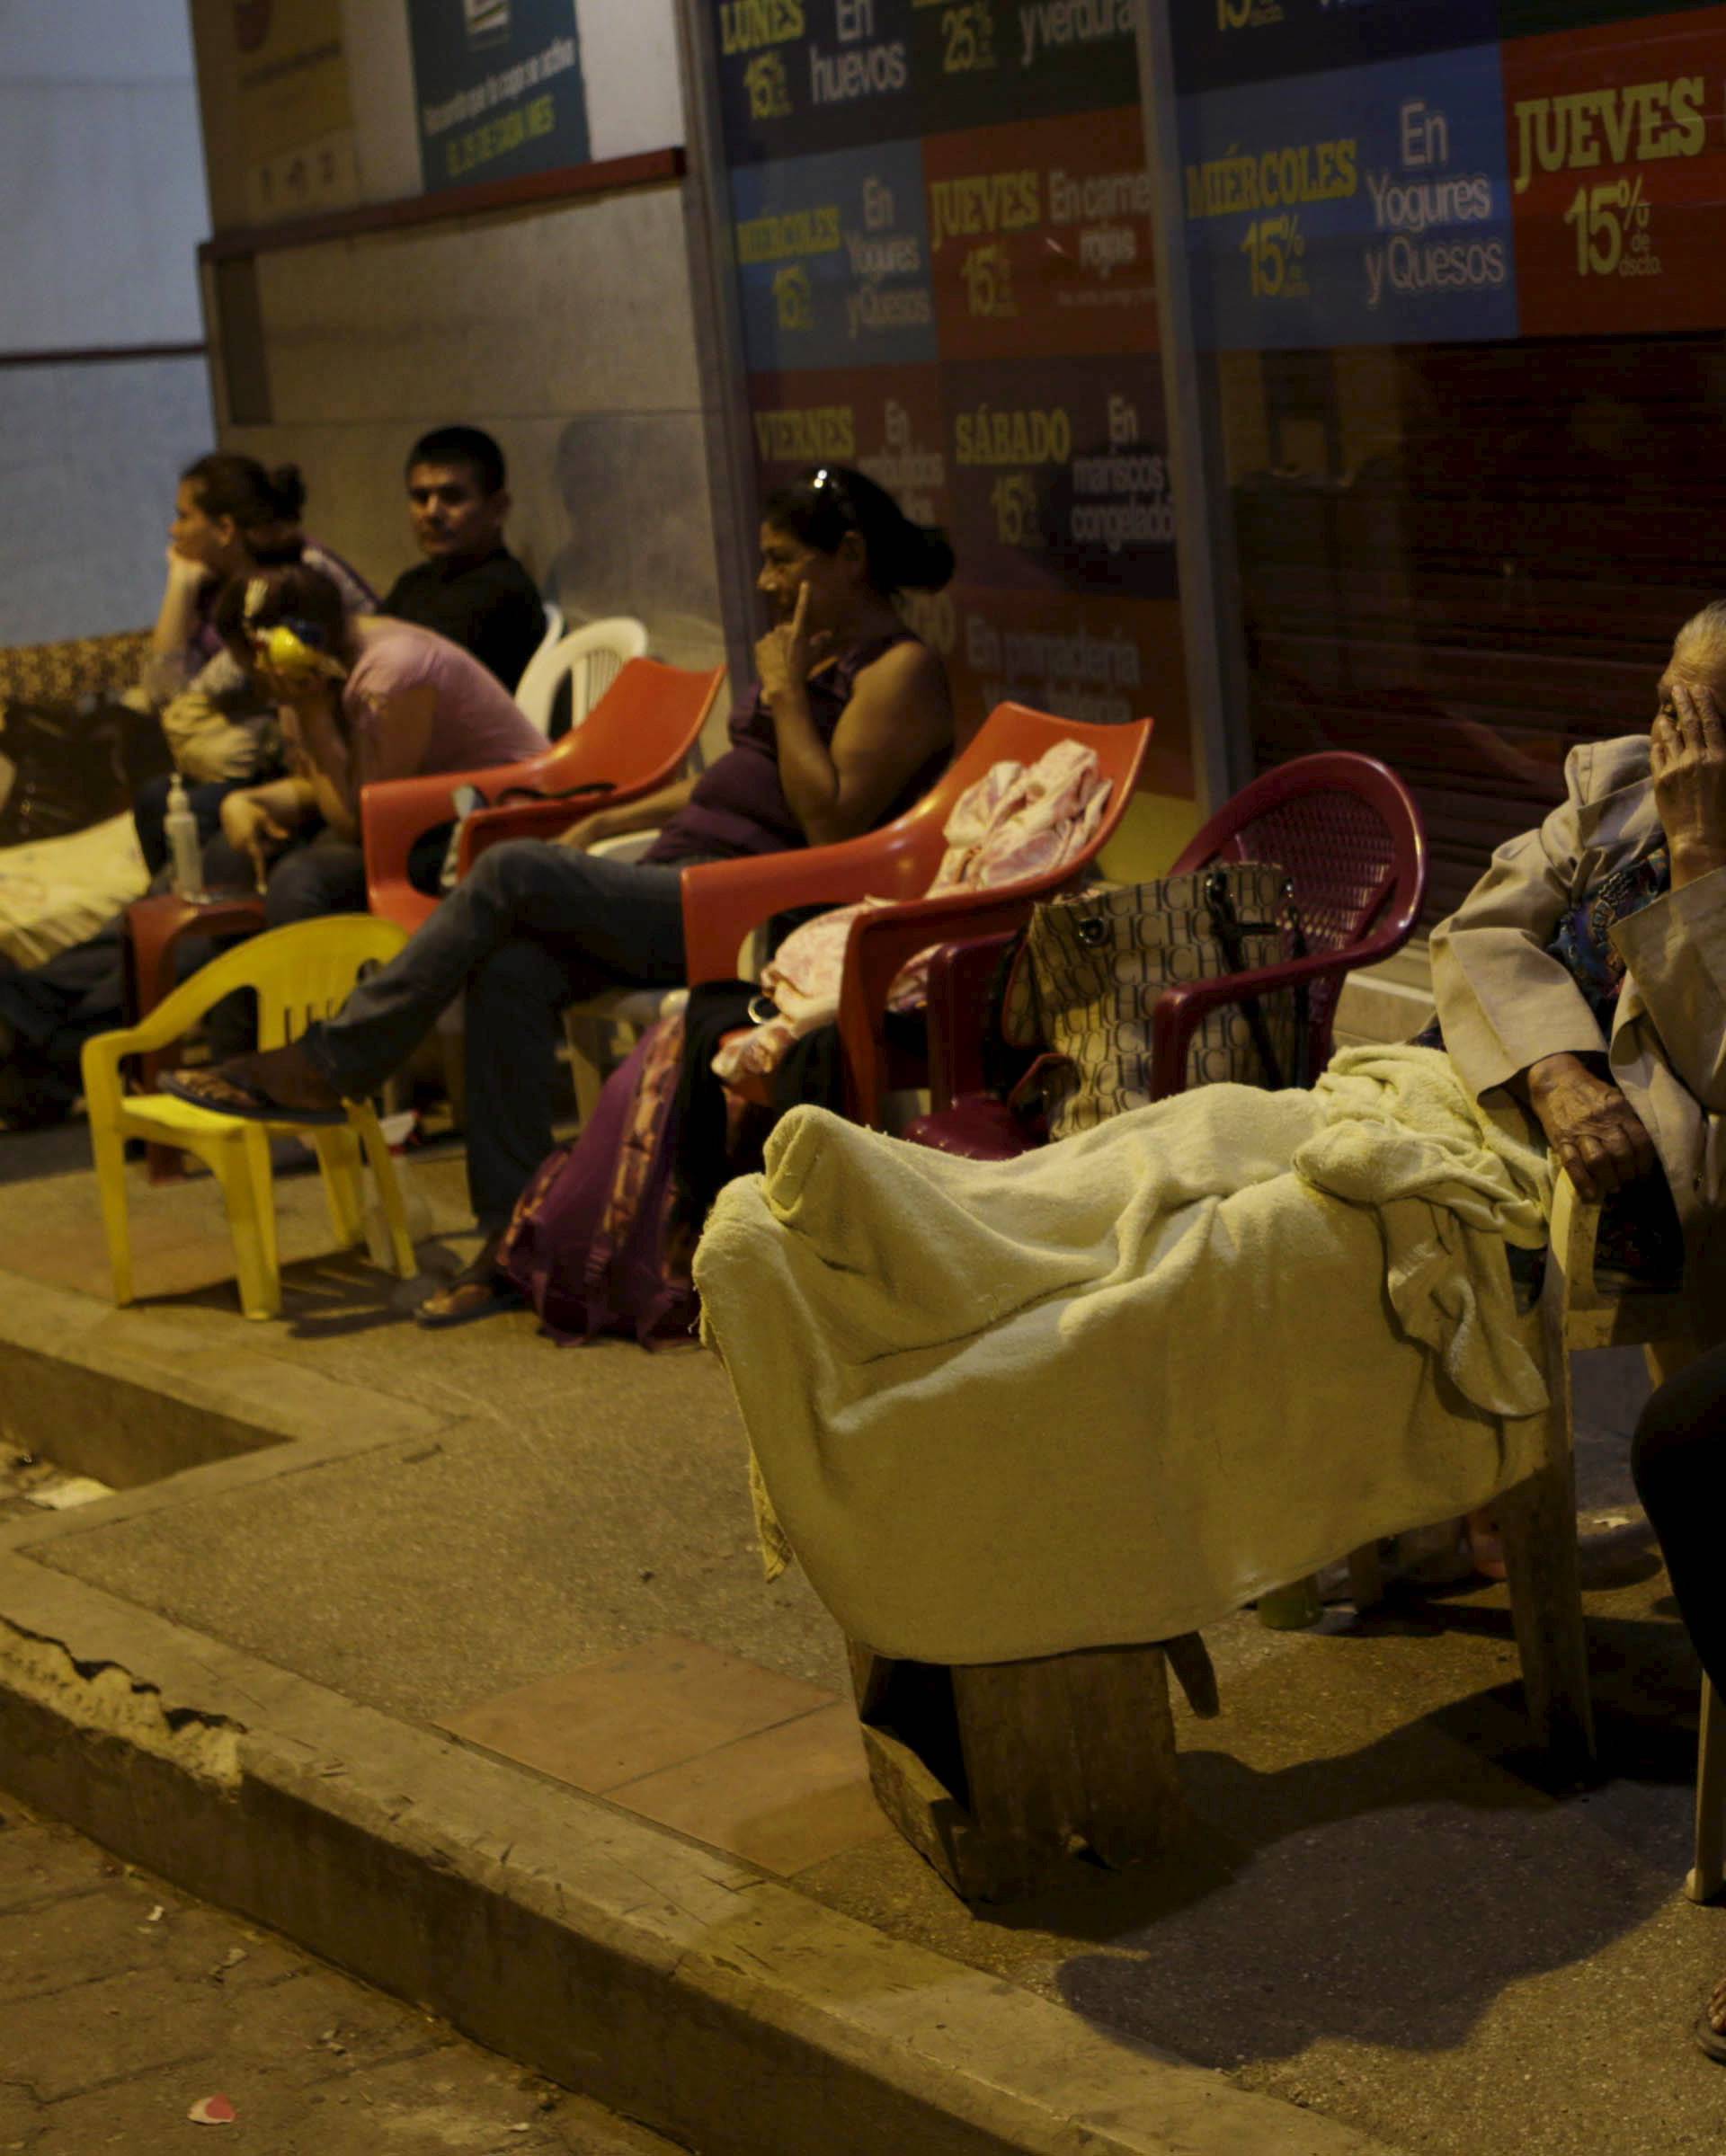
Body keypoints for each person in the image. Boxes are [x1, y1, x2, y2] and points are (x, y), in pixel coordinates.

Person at [161, 465, 956, 1321]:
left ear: (850, 557)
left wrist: (791, 693)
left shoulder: (899, 672)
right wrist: (601, 821)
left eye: (783, 562)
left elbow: (831, 823)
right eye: (763, 563)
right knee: (512, 967)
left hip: (747, 911)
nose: (767, 584)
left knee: (508, 871)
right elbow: (726, 783)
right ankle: (507, 1241)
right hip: (675, 879)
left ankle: (334, 1061)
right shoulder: (812, 655)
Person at [377, 427, 547, 693]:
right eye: (421, 498)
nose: (432, 512)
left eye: (452, 497)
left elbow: (413, 677)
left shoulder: (502, 591)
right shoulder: (414, 582)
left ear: (498, 508)